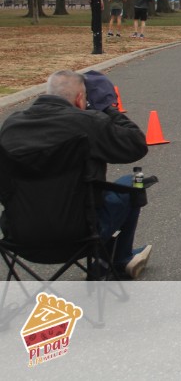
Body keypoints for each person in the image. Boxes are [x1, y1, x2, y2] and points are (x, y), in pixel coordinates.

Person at [0, 70, 153, 279]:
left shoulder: (11, 126)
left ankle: (112, 259)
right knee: (133, 182)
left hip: (20, 237)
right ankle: (118, 259)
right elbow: (136, 145)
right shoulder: (87, 122)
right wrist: (108, 108)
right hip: (82, 236)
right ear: (80, 98)